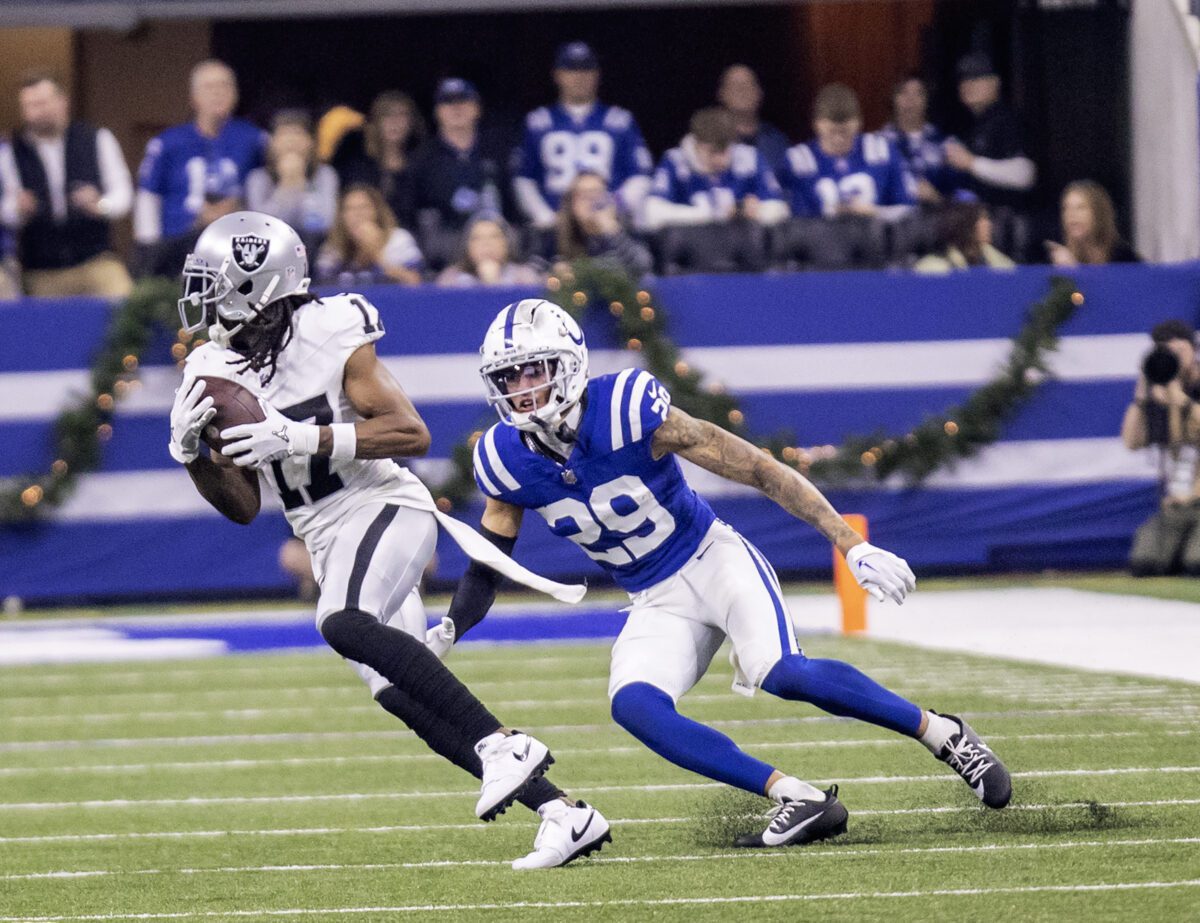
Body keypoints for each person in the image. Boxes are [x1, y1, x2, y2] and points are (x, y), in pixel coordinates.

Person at [432, 298, 1013, 849]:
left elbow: (757, 468)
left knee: (784, 674)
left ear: (569, 363)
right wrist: (454, 625)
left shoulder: (630, 407)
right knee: (634, 705)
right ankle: (798, 796)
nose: (522, 389)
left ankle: (943, 734)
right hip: (653, 598)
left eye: (533, 370)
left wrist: (850, 544)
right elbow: (492, 559)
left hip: (712, 559)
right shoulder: (501, 458)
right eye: (508, 378)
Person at [166, 211, 611, 870]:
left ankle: (504, 746)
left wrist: (305, 435)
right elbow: (243, 504)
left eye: (219, 284)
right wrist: (191, 454)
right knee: (400, 692)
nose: (205, 300)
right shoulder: (212, 363)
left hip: (382, 503)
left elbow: (411, 431)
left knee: (341, 618)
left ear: (261, 285)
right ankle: (564, 812)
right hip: (322, 531)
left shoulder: (328, 328)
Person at [0, 71, 133, 298]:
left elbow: (124, 195)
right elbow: (5, 209)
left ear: (62, 102)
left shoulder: (96, 139)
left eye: (41, 104)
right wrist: (19, 209)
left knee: (127, 301)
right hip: (41, 268)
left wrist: (100, 205)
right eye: (28, 106)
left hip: (95, 261)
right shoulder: (10, 150)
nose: (35, 113)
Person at [135, 60, 266, 275]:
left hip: (239, 248)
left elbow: (266, 184)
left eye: (225, 85)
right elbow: (148, 195)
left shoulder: (254, 139)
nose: (218, 93)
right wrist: (149, 252)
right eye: (209, 87)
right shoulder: (168, 142)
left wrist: (238, 208)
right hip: (178, 249)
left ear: (236, 94)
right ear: (193, 97)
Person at [514, 41, 653, 230]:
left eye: (586, 69)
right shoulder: (538, 122)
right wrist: (545, 216)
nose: (579, 77)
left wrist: (614, 206)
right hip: (555, 226)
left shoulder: (620, 121)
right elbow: (524, 178)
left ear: (597, 74)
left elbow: (640, 175)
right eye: (571, 70)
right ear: (557, 75)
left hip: (609, 224)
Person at [1122, 319, 1200, 576]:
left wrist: (1185, 404)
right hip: (1175, 503)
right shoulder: (1161, 394)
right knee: (1144, 564)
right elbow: (1131, 442)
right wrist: (1142, 397)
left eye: (1180, 352)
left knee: (1195, 564)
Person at [780, 83, 915, 220]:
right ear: (816, 124)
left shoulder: (881, 151)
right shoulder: (797, 160)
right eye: (832, 132)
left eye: (845, 132)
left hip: (872, 239)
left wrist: (876, 213)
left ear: (858, 122)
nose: (839, 139)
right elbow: (782, 217)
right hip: (818, 239)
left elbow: (909, 210)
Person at [643, 107, 788, 231]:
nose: (721, 159)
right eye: (713, 152)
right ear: (696, 144)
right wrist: (706, 215)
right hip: (694, 250)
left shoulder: (750, 157)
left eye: (726, 150)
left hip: (742, 248)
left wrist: (756, 212)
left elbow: (779, 208)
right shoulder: (674, 161)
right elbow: (652, 213)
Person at [411, 79, 514, 231]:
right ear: (437, 111)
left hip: (497, 238)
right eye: (448, 101)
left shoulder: (500, 152)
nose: (456, 107)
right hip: (443, 246)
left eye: (463, 100)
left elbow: (513, 206)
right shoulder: (421, 159)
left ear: (477, 108)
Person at [943, 53, 1036, 210]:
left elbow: (1025, 175)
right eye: (964, 79)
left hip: (1008, 222)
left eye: (976, 78)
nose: (968, 85)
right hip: (979, 223)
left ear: (995, 82)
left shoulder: (1008, 120)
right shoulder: (970, 126)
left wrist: (971, 163)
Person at [331, 91, 424, 231]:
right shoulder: (358, 166)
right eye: (387, 115)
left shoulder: (422, 162)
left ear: (412, 122)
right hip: (364, 232)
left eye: (401, 115)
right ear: (375, 122)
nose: (395, 122)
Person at [245, 110, 339, 247]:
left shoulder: (325, 175)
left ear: (311, 142)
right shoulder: (257, 178)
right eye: (284, 134)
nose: (291, 141)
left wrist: (301, 184)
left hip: (316, 248)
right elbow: (260, 227)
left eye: (298, 133)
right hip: (271, 249)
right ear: (272, 142)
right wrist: (286, 187)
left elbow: (326, 222)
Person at [315, 185, 423, 287]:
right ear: (341, 216)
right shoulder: (333, 246)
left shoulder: (398, 239)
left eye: (364, 207)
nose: (358, 214)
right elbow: (324, 285)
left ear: (376, 211)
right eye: (350, 209)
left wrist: (376, 255)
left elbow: (414, 282)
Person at [880, 76, 963, 206]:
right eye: (903, 92)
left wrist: (937, 198)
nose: (910, 100)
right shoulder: (879, 144)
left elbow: (961, 194)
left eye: (918, 93)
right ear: (893, 99)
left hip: (936, 219)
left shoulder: (946, 144)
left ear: (927, 100)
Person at [555, 171, 653, 277]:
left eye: (596, 193)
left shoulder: (625, 225)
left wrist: (613, 232)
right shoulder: (557, 233)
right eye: (584, 195)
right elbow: (542, 270)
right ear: (572, 202)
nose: (591, 201)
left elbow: (643, 266)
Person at [716, 64, 790, 179]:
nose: (742, 91)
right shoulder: (709, 141)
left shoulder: (777, 140)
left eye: (748, 85)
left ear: (759, 93)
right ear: (722, 94)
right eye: (735, 86)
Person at [1045, 180, 1141, 267]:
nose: (1071, 214)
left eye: (1080, 208)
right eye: (1066, 208)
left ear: (1098, 214)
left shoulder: (1124, 259)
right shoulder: (1056, 259)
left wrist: (1075, 271)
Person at [435, 213, 542, 287]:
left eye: (494, 236)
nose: (486, 243)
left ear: (507, 243)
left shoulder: (525, 278)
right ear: (467, 246)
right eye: (477, 238)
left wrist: (494, 282)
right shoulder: (450, 281)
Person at [913, 202, 1015, 273]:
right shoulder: (934, 269)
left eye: (987, 218)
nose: (989, 224)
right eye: (982, 219)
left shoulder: (999, 265)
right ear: (965, 225)